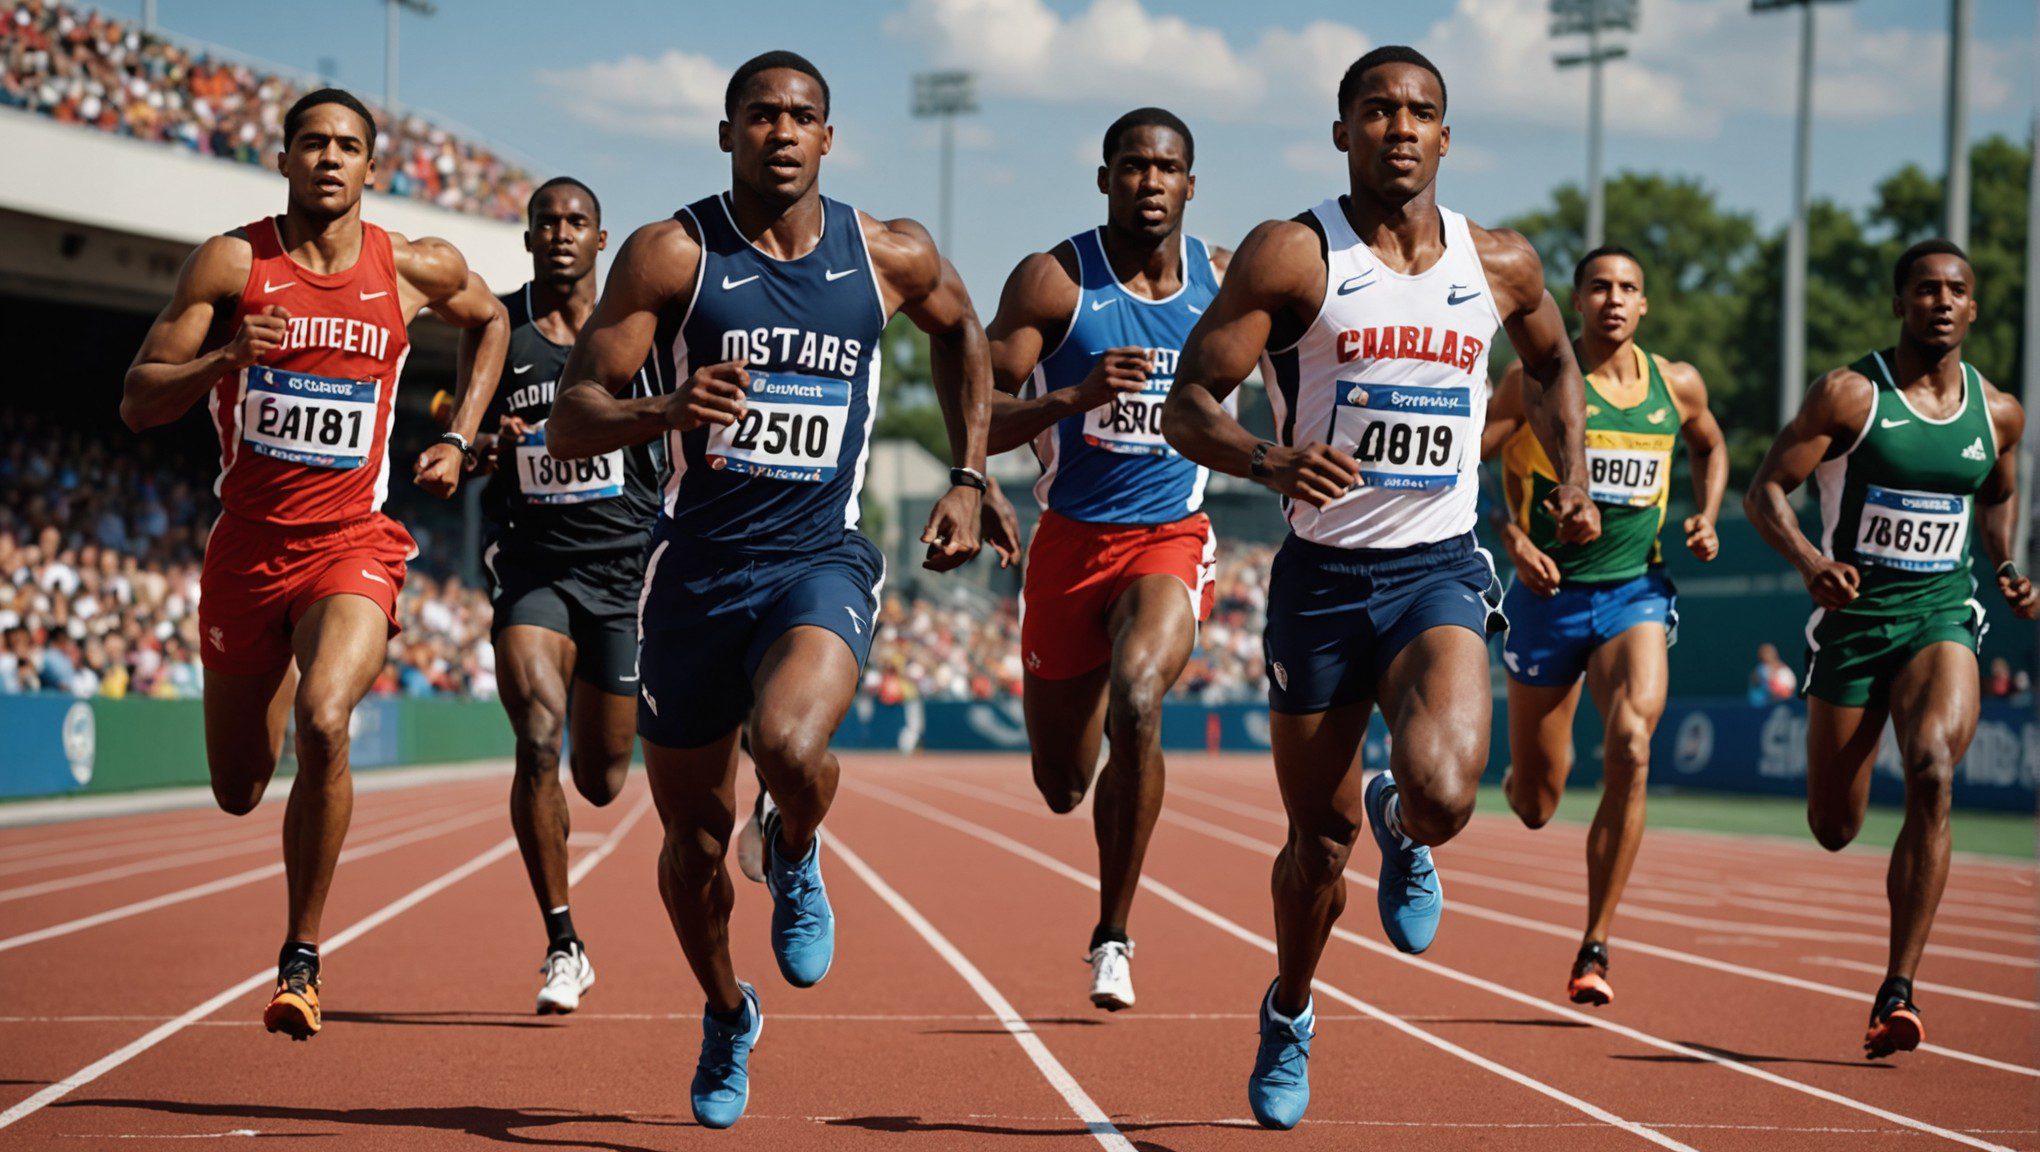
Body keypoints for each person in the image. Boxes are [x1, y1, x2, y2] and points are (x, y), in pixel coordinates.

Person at [545, 51, 1000, 1129]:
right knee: (694, 847)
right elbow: (572, 417)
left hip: (818, 561)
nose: (781, 132)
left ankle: (795, 846)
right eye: (760, 116)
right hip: (695, 575)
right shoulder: (673, 253)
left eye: (801, 117)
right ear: (727, 133)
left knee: (792, 749)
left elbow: (965, 336)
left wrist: (971, 475)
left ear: (828, 139)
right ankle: (725, 1007)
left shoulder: (887, 253)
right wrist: (666, 411)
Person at [1161, 46, 1598, 1129]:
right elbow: (1187, 404)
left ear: (1446, 137)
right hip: (1320, 582)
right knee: (1316, 845)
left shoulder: (1499, 264)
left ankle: (1409, 821)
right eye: (1377, 110)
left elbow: (1549, 366)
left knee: (1448, 794)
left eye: (1421, 113)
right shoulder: (1294, 256)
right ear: (1343, 131)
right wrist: (1268, 460)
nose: (1399, 127)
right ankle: (1293, 1007)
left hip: (1436, 570)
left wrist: (1575, 473)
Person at [120, 87, 508, 1040]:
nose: (329, 159)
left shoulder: (413, 268)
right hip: (248, 550)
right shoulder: (232, 261)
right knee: (240, 787)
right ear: (284, 160)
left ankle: (301, 957)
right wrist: (221, 360)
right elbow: (136, 400)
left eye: (347, 146)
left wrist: (459, 436)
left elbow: (491, 321)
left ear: (372, 168)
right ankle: (281, 660)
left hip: (351, 544)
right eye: (312, 144)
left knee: (324, 717)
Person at [1745, 239, 2036, 1059]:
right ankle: (1857, 840)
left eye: (1957, 291)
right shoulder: (1850, 396)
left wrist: (2007, 564)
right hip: (1851, 626)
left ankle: (1898, 988)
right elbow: (1764, 489)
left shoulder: (1999, 412)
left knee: (1935, 770)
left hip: (1942, 616)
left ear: (1975, 308)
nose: (1942, 302)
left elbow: (1998, 500)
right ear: (1899, 302)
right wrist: (1811, 563)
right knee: (1834, 823)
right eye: (1926, 290)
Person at [979, 107, 1227, 1011]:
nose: (1149, 183)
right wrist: (1074, 396)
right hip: (1068, 544)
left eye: (1166, 169)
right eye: (1131, 167)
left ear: (1190, 185)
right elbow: (979, 417)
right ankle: (1089, 825)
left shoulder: (1224, 282)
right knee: (1060, 784)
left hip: (1170, 535)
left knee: (1138, 694)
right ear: (1105, 179)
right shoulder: (1054, 283)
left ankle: (1114, 932)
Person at [1481, 245, 1727, 1007]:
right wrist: (1514, 541)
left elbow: (1710, 444)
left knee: (1631, 742)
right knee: (1535, 803)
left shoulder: (1676, 384)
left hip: (1635, 593)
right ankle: (1524, 772)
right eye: (1598, 287)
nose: (1613, 300)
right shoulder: (1533, 384)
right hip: (1547, 600)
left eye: (1628, 289)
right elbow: (1463, 467)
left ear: (1644, 306)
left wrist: (1708, 514)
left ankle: (1595, 943)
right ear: (1576, 301)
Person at [468, 176, 662, 1014]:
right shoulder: (498, 332)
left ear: (600, 239)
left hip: (626, 568)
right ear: (527, 239)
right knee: (537, 738)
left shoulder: (634, 334)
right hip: (534, 564)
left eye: (576, 222)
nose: (559, 234)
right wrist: (488, 442)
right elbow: (461, 433)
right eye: (545, 222)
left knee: (604, 777)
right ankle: (563, 942)